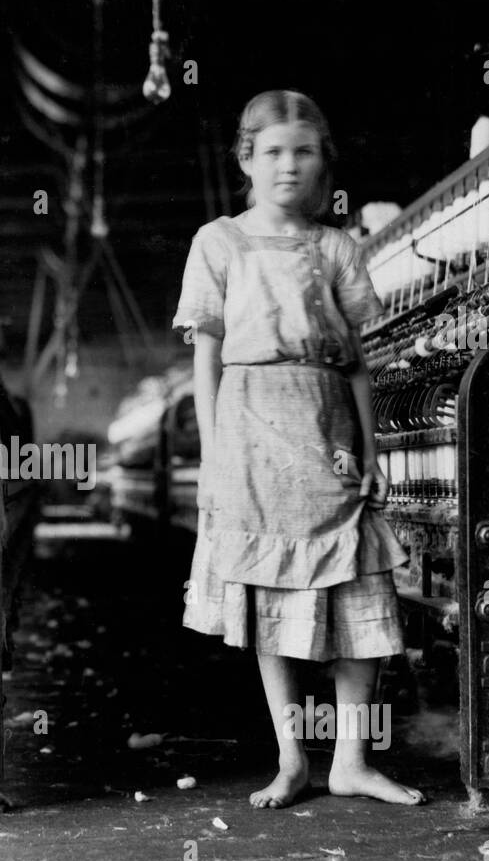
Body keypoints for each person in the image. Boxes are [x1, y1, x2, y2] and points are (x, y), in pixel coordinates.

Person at [174, 90, 424, 808]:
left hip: (328, 432)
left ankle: (350, 760)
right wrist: (216, 458)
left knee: (359, 588)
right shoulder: (217, 242)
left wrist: (371, 454)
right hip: (250, 431)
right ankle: (291, 758)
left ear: (323, 163)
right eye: (274, 151)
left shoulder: (337, 247)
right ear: (247, 158)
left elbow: (355, 365)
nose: (289, 166)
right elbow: (207, 360)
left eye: (305, 152)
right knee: (269, 597)